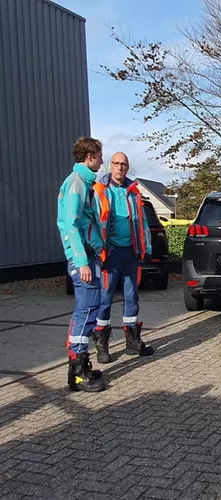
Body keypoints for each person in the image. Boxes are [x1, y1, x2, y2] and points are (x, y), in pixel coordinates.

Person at [91, 152, 154, 363]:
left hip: (131, 252)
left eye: (124, 164)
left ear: (128, 167)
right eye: (116, 164)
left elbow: (142, 222)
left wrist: (147, 248)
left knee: (131, 296)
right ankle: (102, 345)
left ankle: (133, 342)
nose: (120, 168)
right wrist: (98, 251)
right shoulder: (99, 190)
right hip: (109, 253)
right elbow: (93, 224)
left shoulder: (134, 192)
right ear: (110, 166)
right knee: (105, 298)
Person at [57, 137, 107, 392]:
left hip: (89, 256)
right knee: (87, 310)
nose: (101, 160)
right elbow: (71, 225)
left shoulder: (83, 183)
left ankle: (79, 367)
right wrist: (81, 262)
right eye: (99, 156)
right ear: (89, 157)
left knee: (89, 308)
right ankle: (78, 372)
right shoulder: (76, 183)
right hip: (83, 257)